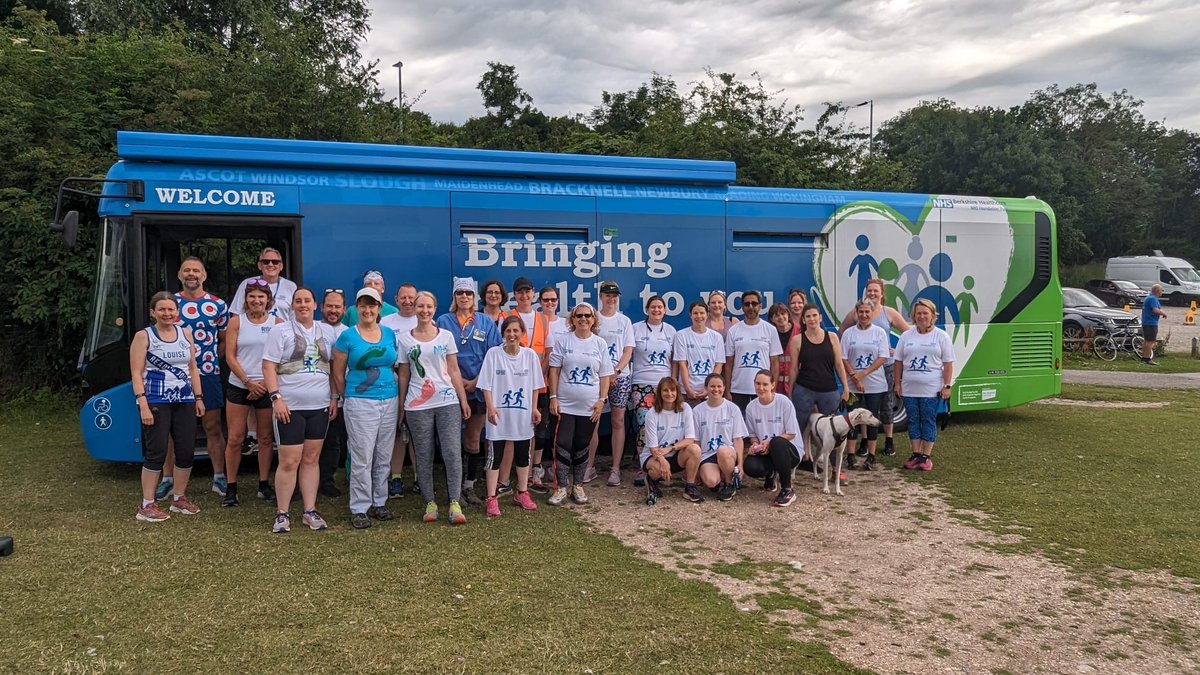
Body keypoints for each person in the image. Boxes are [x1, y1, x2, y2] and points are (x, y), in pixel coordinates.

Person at [261, 288, 338, 533]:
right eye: (298, 301)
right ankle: (282, 513)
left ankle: (309, 510)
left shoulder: (326, 331)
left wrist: (334, 397)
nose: (303, 305)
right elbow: (268, 366)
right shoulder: (280, 330)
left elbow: (332, 367)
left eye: (307, 301)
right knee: (289, 460)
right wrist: (276, 399)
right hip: (290, 407)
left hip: (319, 405)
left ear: (315, 305)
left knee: (311, 459)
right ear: (292, 305)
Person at [153, 257, 228, 501]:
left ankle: (219, 476)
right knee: (170, 430)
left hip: (207, 374)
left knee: (212, 427)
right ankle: (167, 479)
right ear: (179, 275)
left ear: (204, 275)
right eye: (187, 270)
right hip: (173, 377)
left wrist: (206, 360)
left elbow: (224, 341)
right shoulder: (170, 304)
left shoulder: (218, 305)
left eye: (196, 270)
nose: (191, 274)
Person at [397, 291, 472, 525]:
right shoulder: (405, 339)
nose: (424, 311)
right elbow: (404, 374)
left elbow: (454, 370)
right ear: (414, 309)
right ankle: (430, 502)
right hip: (417, 405)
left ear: (435, 308)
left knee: (451, 452)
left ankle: (454, 503)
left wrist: (463, 399)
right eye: (420, 306)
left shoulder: (446, 336)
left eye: (429, 306)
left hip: (447, 401)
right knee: (424, 454)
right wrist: (401, 406)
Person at [130, 292, 204, 522]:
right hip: (156, 401)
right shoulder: (144, 336)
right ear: (153, 312)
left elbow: (192, 368)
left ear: (177, 312)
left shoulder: (185, 333)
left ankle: (179, 498)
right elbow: (136, 373)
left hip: (185, 400)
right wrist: (142, 403)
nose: (167, 313)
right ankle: (147, 504)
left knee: (186, 451)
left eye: (171, 309)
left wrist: (199, 397)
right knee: (157, 452)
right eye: (161, 309)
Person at [333, 287, 400, 529]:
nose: (367, 310)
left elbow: (393, 366)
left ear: (379, 308)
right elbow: (338, 372)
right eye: (363, 305)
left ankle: (379, 502)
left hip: (389, 399)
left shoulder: (389, 333)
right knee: (362, 456)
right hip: (360, 403)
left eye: (372, 305)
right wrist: (347, 396)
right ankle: (360, 507)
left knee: (383, 455)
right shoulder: (347, 337)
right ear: (356, 308)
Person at [436, 277, 501, 506]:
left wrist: (476, 381)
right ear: (454, 297)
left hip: (478, 388)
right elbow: (437, 354)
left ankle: (469, 486)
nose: (464, 297)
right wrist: (458, 381)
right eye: (460, 293)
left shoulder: (485, 322)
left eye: (468, 293)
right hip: (450, 389)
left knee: (473, 440)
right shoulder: (443, 321)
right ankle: (453, 489)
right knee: (452, 442)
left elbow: (494, 355)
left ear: (475, 298)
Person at [220, 278, 284, 507]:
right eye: (252, 296)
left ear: (268, 300)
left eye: (261, 296)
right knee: (235, 438)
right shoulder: (236, 322)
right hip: (240, 385)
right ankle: (231, 487)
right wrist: (248, 382)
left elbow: (282, 357)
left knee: (265, 438)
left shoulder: (278, 323)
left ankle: (263, 485)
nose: (257, 300)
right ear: (246, 299)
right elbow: (230, 356)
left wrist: (265, 384)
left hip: (266, 387)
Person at [478, 315, 545, 516]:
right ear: (503, 334)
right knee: (495, 456)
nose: (512, 334)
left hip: (522, 416)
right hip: (498, 416)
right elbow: (486, 385)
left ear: (523, 333)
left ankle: (522, 493)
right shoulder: (493, 354)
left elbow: (535, 385)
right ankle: (491, 498)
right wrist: (490, 407)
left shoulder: (530, 355)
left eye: (516, 331)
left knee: (523, 454)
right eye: (508, 331)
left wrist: (534, 408)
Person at [547, 303, 613, 506]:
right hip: (565, 405)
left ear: (594, 320)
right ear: (572, 319)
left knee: (582, 445)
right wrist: (553, 397)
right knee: (563, 444)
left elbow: (605, 376)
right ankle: (561, 487)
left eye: (587, 316)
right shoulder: (563, 340)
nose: (583, 319)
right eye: (579, 315)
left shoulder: (599, 343)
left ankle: (578, 485)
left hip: (589, 407)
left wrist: (602, 400)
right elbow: (554, 371)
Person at [839, 278, 910, 456]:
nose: (872, 293)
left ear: (882, 293)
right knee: (863, 406)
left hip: (885, 367)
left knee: (886, 405)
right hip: (858, 371)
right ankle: (864, 441)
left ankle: (889, 440)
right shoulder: (856, 312)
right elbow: (842, 332)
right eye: (869, 290)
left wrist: (896, 350)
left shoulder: (888, 312)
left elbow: (908, 333)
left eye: (875, 291)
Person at [495, 276, 551, 495]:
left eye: (527, 291)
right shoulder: (505, 317)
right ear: (515, 295)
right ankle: (504, 480)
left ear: (533, 293)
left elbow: (548, 353)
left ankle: (527, 479)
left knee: (533, 431)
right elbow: (501, 351)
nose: (524, 295)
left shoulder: (543, 318)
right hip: (512, 387)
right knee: (510, 434)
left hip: (537, 385)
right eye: (520, 292)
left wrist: (537, 376)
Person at [894, 298, 955, 472]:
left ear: (932, 316)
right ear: (914, 316)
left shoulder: (941, 336)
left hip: (931, 389)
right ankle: (915, 454)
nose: (921, 316)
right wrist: (897, 384)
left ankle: (926, 457)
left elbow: (948, 363)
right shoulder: (906, 336)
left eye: (925, 313)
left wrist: (947, 386)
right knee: (913, 420)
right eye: (918, 313)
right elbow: (898, 361)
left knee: (927, 420)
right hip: (909, 389)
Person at [588, 281, 634, 487]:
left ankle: (615, 468)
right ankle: (589, 466)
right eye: (607, 295)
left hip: (619, 376)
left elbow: (628, 351)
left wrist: (615, 372)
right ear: (601, 297)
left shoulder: (624, 321)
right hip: (597, 377)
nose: (611, 299)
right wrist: (604, 374)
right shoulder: (594, 319)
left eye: (614, 295)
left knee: (618, 421)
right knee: (594, 422)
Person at [629, 295, 676, 486]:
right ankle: (644, 465)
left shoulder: (671, 331)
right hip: (641, 383)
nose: (656, 310)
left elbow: (674, 360)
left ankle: (663, 463)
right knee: (643, 426)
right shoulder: (636, 328)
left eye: (660, 307)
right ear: (646, 309)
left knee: (664, 425)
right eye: (653, 307)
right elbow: (627, 353)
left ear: (665, 310)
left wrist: (673, 382)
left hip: (664, 384)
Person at [840, 300, 891, 471]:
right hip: (853, 386)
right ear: (856, 313)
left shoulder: (879, 333)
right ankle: (851, 455)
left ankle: (871, 456)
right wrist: (854, 377)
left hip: (875, 385)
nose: (863, 315)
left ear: (872, 313)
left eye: (867, 312)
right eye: (860, 312)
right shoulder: (848, 333)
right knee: (852, 420)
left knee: (872, 420)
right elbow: (843, 358)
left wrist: (863, 374)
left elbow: (882, 357)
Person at [742, 370, 803, 507]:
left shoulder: (783, 402)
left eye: (765, 384)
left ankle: (787, 489)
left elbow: (791, 434)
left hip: (789, 450)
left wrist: (769, 442)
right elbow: (753, 435)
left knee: (777, 442)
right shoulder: (751, 407)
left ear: (773, 385)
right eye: (758, 384)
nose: (761, 388)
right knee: (750, 467)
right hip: (766, 451)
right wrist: (755, 445)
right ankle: (770, 474)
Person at [640, 377, 704, 504]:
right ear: (659, 393)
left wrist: (671, 448)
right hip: (654, 456)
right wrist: (663, 461)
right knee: (656, 470)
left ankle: (690, 487)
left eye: (672, 390)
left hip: (675, 453)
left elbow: (690, 439)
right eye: (665, 390)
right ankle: (651, 480)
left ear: (677, 392)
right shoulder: (651, 414)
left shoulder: (685, 408)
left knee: (695, 449)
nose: (669, 394)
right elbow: (653, 448)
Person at [790, 303, 851, 435]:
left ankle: (829, 450)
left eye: (814, 315)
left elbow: (839, 365)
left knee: (832, 428)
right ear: (803, 320)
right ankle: (800, 448)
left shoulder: (832, 337)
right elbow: (794, 368)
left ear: (820, 317)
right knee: (799, 426)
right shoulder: (797, 340)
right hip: (804, 390)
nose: (812, 319)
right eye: (808, 316)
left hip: (828, 390)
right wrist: (790, 392)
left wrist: (846, 387)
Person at [381, 282, 418, 496]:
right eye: (403, 297)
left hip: (419, 383)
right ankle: (396, 478)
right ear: (396, 300)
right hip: (393, 380)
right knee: (397, 431)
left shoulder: (425, 320)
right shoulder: (386, 322)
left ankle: (419, 477)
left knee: (417, 433)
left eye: (411, 297)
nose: (407, 301)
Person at [531, 285, 567, 492]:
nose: (550, 303)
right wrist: (539, 377)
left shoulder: (565, 324)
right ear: (540, 302)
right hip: (540, 385)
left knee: (557, 427)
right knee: (539, 427)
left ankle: (556, 466)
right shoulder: (536, 321)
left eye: (553, 300)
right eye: (546, 300)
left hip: (562, 384)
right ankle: (535, 467)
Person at [691, 373, 746, 502]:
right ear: (706, 388)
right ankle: (718, 477)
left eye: (719, 386)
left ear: (724, 387)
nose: (716, 389)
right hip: (707, 454)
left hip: (727, 453)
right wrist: (696, 469)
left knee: (723, 451)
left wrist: (740, 464)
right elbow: (696, 441)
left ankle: (729, 483)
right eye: (712, 386)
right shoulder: (697, 411)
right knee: (711, 482)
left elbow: (738, 439)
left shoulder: (732, 408)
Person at [724, 290, 781, 412]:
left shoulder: (770, 330)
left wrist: (772, 388)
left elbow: (775, 363)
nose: (750, 307)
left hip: (763, 389)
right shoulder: (733, 330)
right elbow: (728, 363)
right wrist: (727, 390)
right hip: (738, 389)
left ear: (760, 306)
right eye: (747, 304)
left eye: (754, 303)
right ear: (742, 307)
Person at [317, 289, 349, 497]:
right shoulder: (314, 329)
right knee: (312, 442)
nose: (333, 310)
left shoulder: (350, 332)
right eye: (329, 306)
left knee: (334, 442)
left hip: (341, 397)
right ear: (322, 308)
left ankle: (326, 482)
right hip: (318, 395)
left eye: (337, 307)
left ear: (344, 309)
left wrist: (337, 397)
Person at [673, 301, 725, 407]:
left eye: (702, 313)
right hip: (687, 393)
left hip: (710, 393)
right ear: (690, 315)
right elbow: (682, 364)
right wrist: (688, 389)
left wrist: (708, 389)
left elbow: (718, 365)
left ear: (707, 314)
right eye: (695, 313)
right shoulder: (681, 335)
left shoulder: (717, 337)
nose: (699, 316)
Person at [230, 247, 296, 321]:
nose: (270, 264)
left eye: (275, 262)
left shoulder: (291, 286)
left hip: (282, 328)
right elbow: (236, 315)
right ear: (259, 266)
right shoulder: (247, 283)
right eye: (266, 262)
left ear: (281, 266)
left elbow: (295, 317)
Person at [767, 303, 801, 395]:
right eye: (777, 315)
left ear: (788, 315)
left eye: (783, 314)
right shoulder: (769, 334)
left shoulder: (800, 331)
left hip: (797, 385)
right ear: (772, 319)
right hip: (776, 386)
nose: (781, 317)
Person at [1141, 284, 1166, 366]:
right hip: (1151, 323)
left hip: (1146, 322)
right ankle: (1148, 359)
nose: (1162, 292)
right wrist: (1163, 313)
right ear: (1157, 291)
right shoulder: (1153, 299)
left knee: (1146, 341)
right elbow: (1155, 310)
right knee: (1150, 341)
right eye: (1161, 290)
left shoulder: (1148, 298)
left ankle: (1144, 358)